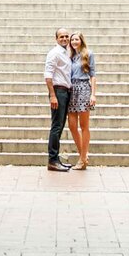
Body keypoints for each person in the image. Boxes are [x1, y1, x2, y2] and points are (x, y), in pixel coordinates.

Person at [44, 28, 73, 172]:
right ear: (56, 39)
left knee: (60, 126)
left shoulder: (65, 53)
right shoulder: (54, 53)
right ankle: (52, 160)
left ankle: (56, 159)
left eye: (67, 36)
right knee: (56, 126)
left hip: (65, 92)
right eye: (61, 36)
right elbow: (48, 76)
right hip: (58, 91)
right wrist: (53, 95)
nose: (65, 38)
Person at [67, 32, 97, 169]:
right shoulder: (70, 56)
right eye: (72, 39)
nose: (74, 41)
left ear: (81, 40)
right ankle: (83, 155)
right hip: (71, 89)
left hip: (84, 88)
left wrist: (93, 94)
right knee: (72, 125)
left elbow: (93, 76)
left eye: (76, 39)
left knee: (84, 125)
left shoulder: (88, 54)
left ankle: (82, 159)